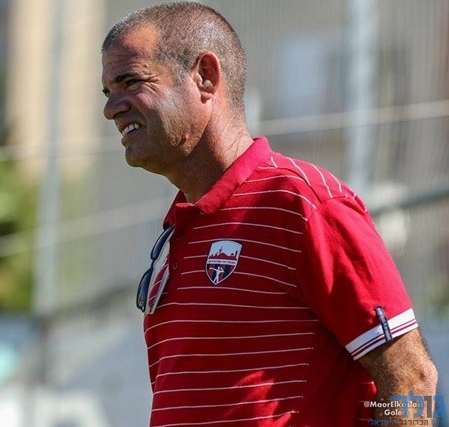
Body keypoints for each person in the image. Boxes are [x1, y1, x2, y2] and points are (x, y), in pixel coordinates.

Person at [100, 2, 439, 426]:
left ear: (205, 76)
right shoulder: (178, 229)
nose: (111, 108)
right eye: (108, 92)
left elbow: (413, 381)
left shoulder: (305, 204)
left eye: (130, 81)